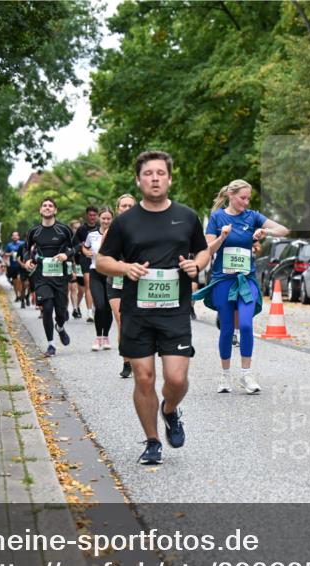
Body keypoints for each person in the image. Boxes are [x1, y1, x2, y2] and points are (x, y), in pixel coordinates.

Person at [97, 150, 209, 466]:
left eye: (160, 173)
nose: (155, 178)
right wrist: (125, 268)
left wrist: (195, 265)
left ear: (169, 179)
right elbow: (102, 261)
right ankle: (152, 441)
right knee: (143, 378)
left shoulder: (187, 216)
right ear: (139, 179)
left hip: (174, 311)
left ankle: (170, 410)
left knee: (175, 379)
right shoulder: (124, 222)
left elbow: (202, 251)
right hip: (137, 311)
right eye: (149, 173)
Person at [193, 179, 288, 394]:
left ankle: (246, 375)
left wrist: (265, 232)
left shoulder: (253, 216)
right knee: (226, 328)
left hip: (247, 280)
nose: (246, 202)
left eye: (248, 198)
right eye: (242, 198)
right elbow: (207, 250)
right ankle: (225, 376)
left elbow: (283, 230)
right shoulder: (217, 217)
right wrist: (222, 236)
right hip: (223, 279)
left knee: (245, 325)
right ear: (231, 196)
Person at [21, 198, 74, 356]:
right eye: (44, 205)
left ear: (55, 210)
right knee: (47, 307)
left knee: (61, 311)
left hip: (60, 276)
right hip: (41, 276)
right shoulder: (34, 231)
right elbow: (26, 249)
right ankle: (51, 344)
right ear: (40, 210)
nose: (47, 208)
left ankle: (60, 327)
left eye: (51, 206)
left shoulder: (64, 229)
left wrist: (66, 254)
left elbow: (74, 247)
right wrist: (28, 260)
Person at [109, 194, 137, 377]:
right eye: (123, 206)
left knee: (136, 322)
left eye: (130, 206)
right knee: (122, 321)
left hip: (137, 281)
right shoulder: (113, 229)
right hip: (116, 281)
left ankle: (138, 357)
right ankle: (127, 361)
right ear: (118, 209)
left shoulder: (144, 227)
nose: (126, 209)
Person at [84, 207, 115, 351]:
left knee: (108, 307)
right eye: (104, 218)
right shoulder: (92, 234)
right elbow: (84, 248)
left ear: (112, 219)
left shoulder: (116, 234)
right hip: (95, 272)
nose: (106, 221)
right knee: (100, 305)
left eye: (109, 219)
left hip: (110, 273)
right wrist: (87, 253)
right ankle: (97, 337)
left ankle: (106, 336)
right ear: (99, 219)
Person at [72, 206, 99, 321]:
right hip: (85, 260)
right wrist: (83, 249)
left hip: (99, 260)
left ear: (97, 216)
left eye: (94, 215)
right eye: (90, 215)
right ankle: (89, 313)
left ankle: (95, 308)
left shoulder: (100, 228)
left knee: (98, 286)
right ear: (87, 216)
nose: (92, 217)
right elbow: (75, 246)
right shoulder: (81, 230)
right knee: (88, 284)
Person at [67, 219, 85, 319]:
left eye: (78, 228)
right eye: (75, 228)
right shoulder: (68, 239)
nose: (77, 230)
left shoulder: (83, 237)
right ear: (71, 228)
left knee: (82, 290)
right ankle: (71, 309)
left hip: (81, 265)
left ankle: (77, 306)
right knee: (71, 288)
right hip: (70, 265)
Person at [4, 231, 26, 306]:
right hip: (13, 266)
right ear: (12, 237)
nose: (15, 237)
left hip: (20, 265)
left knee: (20, 280)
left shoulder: (22, 243)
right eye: (13, 236)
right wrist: (10, 254)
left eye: (16, 235)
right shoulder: (9, 245)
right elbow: (5, 253)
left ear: (18, 237)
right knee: (15, 282)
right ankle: (17, 295)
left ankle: (21, 295)